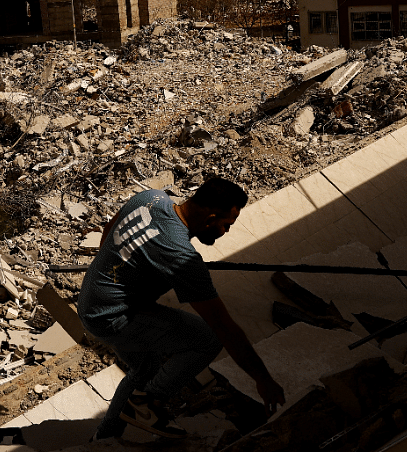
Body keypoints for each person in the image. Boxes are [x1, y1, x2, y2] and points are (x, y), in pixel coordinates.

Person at [78, 177, 285, 439]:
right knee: (206, 340)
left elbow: (109, 232)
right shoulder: (181, 256)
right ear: (210, 218)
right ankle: (148, 404)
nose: (227, 232)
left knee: (144, 369)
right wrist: (262, 379)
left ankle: (107, 435)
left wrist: (123, 273)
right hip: (113, 316)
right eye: (227, 225)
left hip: (91, 299)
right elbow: (222, 326)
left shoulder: (151, 198)